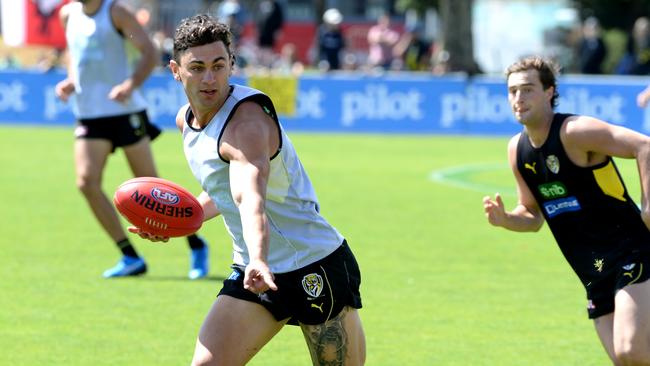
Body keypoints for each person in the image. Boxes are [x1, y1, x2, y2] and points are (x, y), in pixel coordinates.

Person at [130, 14, 366, 365]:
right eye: (197, 67)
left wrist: (258, 257)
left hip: (312, 263)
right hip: (253, 271)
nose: (209, 78)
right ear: (175, 71)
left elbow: (249, 196)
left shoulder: (247, 125)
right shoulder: (186, 121)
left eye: (218, 65)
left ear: (232, 65)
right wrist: (181, 218)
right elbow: (225, 191)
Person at [483, 56, 650, 364]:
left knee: (632, 351)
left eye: (528, 89)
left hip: (632, 251)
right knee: (625, 360)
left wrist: (649, 207)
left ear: (549, 91)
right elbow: (532, 217)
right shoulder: (516, 150)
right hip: (592, 271)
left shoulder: (575, 131)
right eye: (513, 91)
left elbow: (644, 146)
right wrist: (506, 219)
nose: (519, 98)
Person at [54, 0, 209, 279]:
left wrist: (129, 85)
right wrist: (70, 79)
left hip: (125, 111)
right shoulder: (67, 15)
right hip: (89, 112)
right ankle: (129, 255)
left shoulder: (116, 12)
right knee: (86, 183)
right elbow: (74, 54)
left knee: (152, 185)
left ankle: (196, 244)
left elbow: (149, 53)